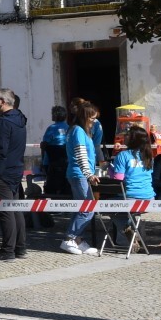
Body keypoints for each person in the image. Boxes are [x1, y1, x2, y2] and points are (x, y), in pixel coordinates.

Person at [0, 88, 29, 260]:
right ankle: (20, 247)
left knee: (5, 211)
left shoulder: (3, 121)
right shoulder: (19, 118)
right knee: (16, 210)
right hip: (16, 169)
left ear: (2, 101)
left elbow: (1, 149)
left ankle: (8, 250)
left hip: (3, 172)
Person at [59, 99, 102, 256]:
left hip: (79, 174)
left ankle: (77, 240)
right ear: (84, 117)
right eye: (91, 118)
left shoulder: (80, 131)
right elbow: (81, 155)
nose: (94, 121)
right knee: (88, 209)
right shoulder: (78, 131)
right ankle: (69, 238)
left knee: (81, 209)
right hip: (79, 175)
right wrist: (89, 174)